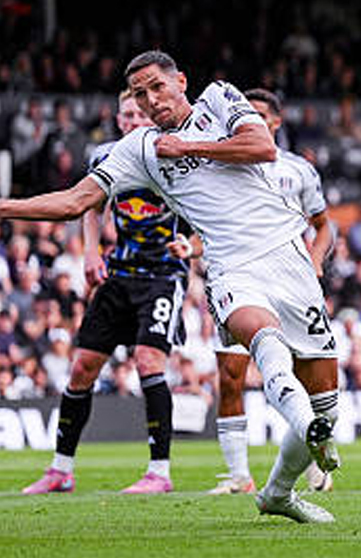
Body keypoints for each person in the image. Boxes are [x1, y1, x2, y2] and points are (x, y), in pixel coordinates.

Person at [0, 50, 341, 523]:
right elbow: (75, 201)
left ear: (180, 81)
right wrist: (3, 206)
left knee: (330, 404)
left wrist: (188, 148)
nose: (150, 101)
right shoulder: (138, 148)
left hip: (290, 260)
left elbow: (260, 146)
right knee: (265, 342)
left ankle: (278, 494)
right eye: (139, 94)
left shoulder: (219, 99)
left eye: (157, 87)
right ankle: (304, 425)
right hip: (230, 266)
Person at [167, 89, 335, 495]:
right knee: (230, 376)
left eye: (260, 115)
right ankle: (240, 475)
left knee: (302, 374)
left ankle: (308, 451)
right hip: (239, 280)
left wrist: (314, 261)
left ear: (274, 122)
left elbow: (324, 225)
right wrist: (192, 247)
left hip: (288, 279)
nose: (252, 119)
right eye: (249, 113)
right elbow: (221, 227)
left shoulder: (298, 171)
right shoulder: (218, 161)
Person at [21, 90, 188, 495]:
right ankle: (61, 470)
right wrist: (92, 251)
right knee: (81, 367)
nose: (133, 120)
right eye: (126, 114)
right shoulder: (106, 156)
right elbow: (91, 206)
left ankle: (159, 473)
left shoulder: (172, 155)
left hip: (164, 274)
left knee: (148, 360)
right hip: (120, 274)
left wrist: (194, 246)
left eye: (138, 114)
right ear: (117, 118)